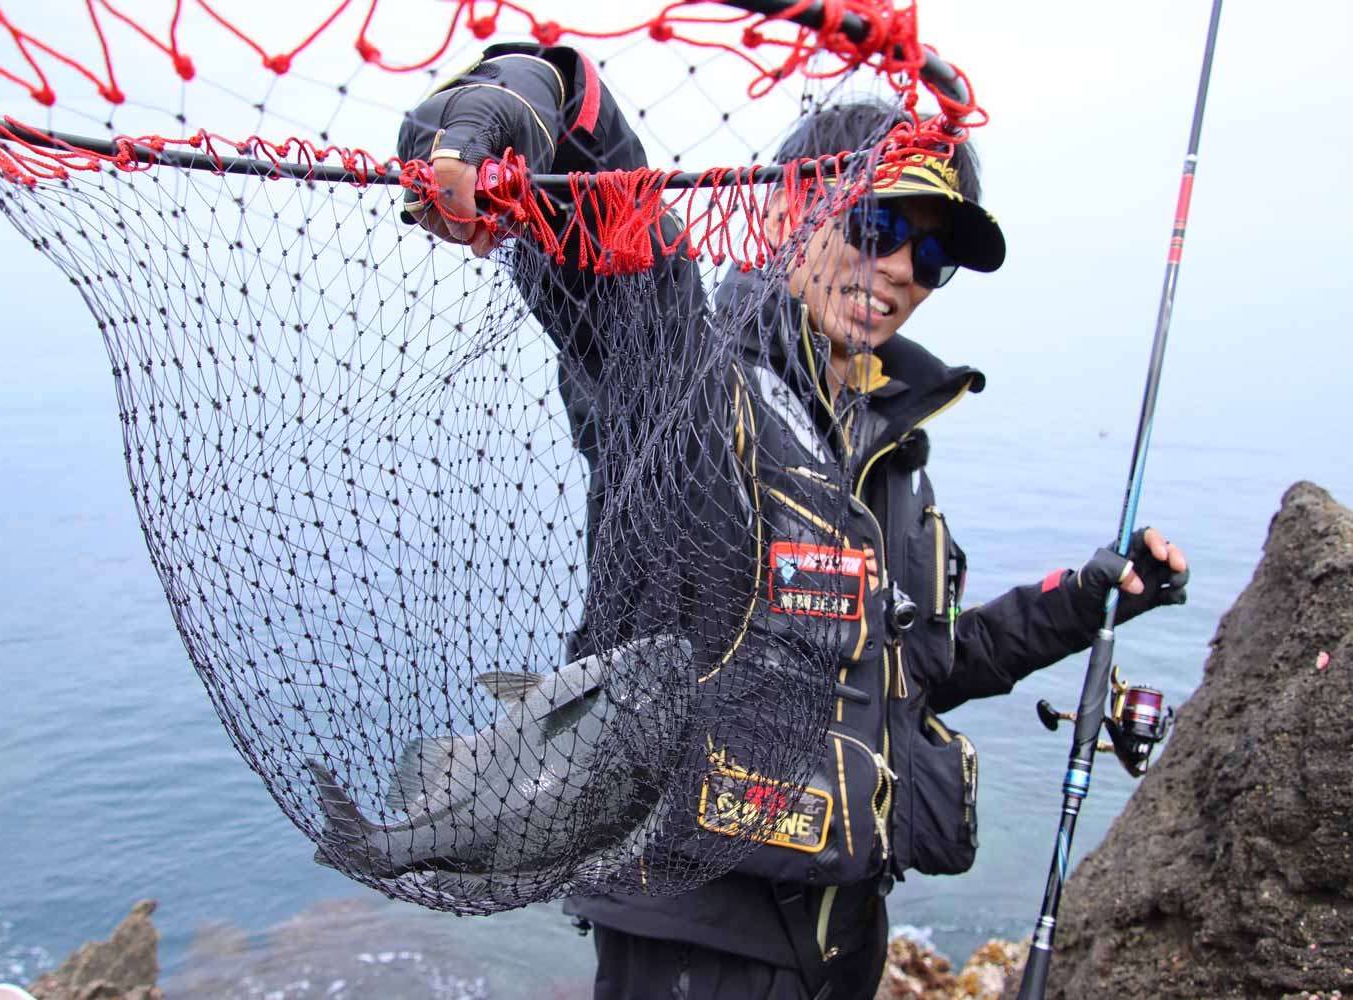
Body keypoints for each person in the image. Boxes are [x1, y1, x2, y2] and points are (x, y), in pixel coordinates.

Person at [398, 42, 1189, 1000]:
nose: (896, 268)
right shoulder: (686, 374)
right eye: (872, 222)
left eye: (931, 256)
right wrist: (542, 94)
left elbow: (917, 666)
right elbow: (617, 245)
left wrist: (1085, 602)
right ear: (782, 207)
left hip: (841, 941)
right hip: (697, 944)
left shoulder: (886, 453)